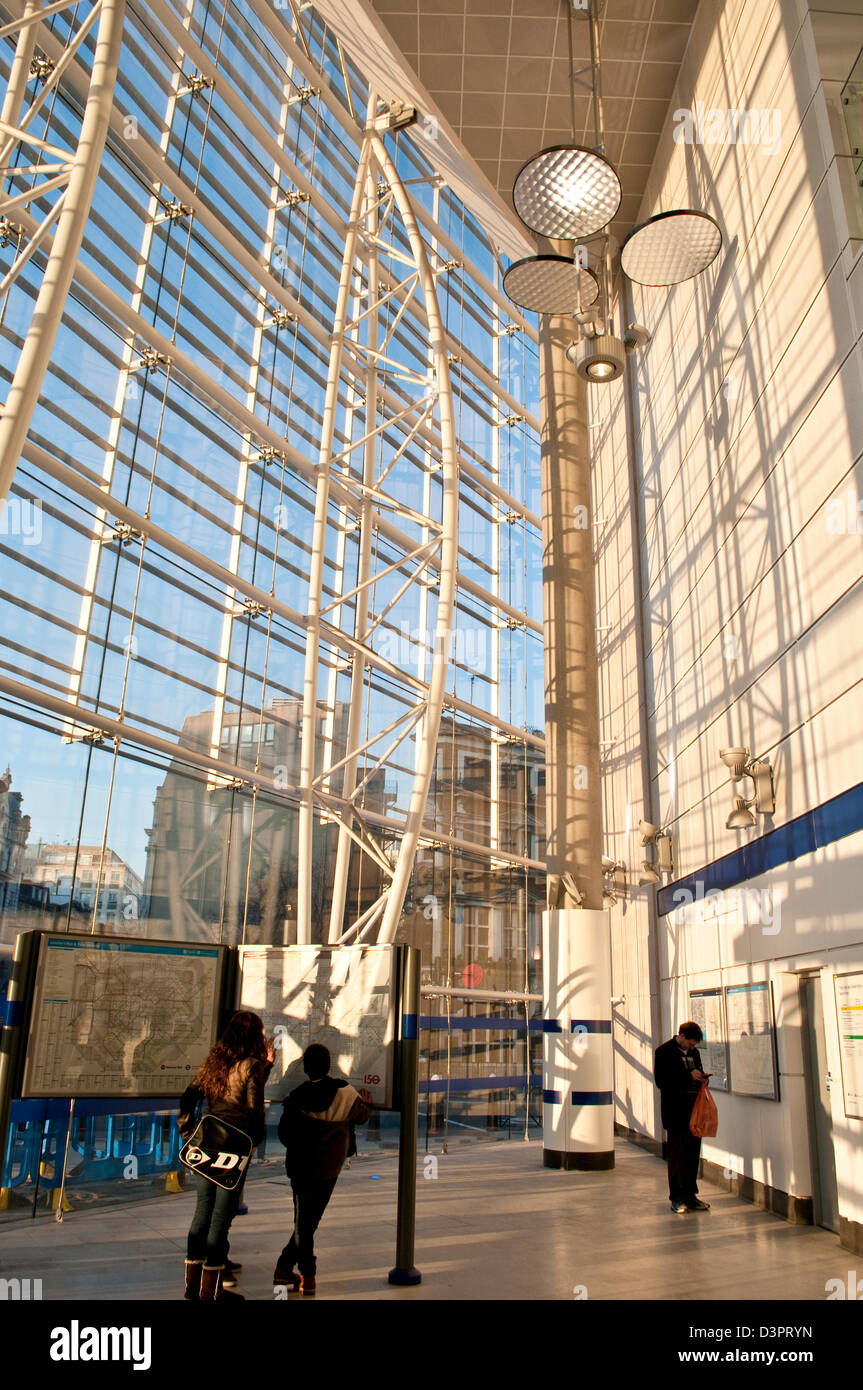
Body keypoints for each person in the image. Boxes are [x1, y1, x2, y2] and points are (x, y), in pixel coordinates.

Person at [178, 1010, 274, 1300]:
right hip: (233, 1145)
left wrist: (187, 1134)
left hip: (206, 1143)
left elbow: (188, 1098)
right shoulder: (251, 1066)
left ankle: (192, 1288)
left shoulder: (214, 1062)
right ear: (254, 1036)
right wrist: (255, 1141)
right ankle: (212, 1291)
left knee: (202, 1213)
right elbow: (254, 1108)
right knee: (221, 1217)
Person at [273, 1043, 371, 1294]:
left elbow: (284, 1135)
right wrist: (367, 1105)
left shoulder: (296, 1097)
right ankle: (299, 1273)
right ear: (329, 1064)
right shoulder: (346, 1092)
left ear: (306, 1068)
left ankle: (295, 1272)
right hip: (329, 1167)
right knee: (310, 1221)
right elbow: (361, 1116)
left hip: (300, 1167)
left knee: (303, 1222)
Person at [654, 1021, 711, 1215]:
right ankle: (677, 1197)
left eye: (694, 1045)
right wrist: (689, 1077)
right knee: (677, 1156)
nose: (692, 1048)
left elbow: (697, 1072)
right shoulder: (664, 1052)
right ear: (681, 1036)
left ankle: (690, 1195)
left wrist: (702, 1077)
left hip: (694, 1111)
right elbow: (662, 1081)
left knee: (692, 1154)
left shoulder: (694, 1054)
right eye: (690, 1043)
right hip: (675, 1112)